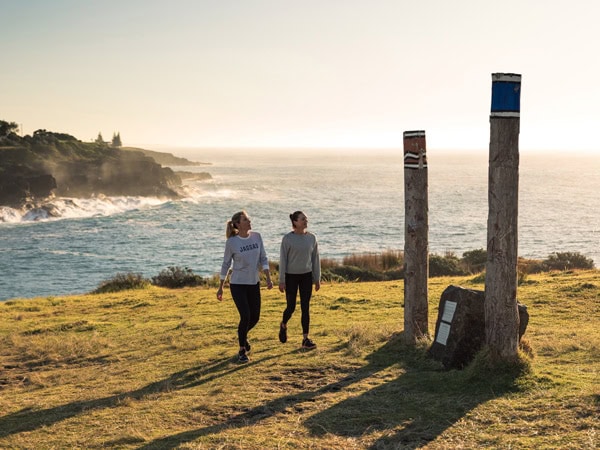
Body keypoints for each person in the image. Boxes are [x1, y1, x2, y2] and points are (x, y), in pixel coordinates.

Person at [217, 210, 273, 363]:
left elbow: (263, 258)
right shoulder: (232, 242)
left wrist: (268, 278)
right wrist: (221, 286)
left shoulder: (257, 237)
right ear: (237, 224)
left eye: (248, 219)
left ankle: (243, 336)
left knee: (255, 317)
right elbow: (226, 264)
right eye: (246, 220)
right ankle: (242, 350)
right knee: (246, 315)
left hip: (254, 283)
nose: (249, 222)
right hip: (237, 284)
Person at [278, 211, 321, 349]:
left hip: (306, 276)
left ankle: (305, 339)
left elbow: (315, 259)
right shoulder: (287, 239)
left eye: (306, 219)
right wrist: (282, 280)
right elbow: (283, 260)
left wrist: (317, 278)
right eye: (303, 219)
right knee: (291, 307)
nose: (305, 221)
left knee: (305, 307)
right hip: (291, 277)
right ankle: (283, 324)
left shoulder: (312, 238)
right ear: (295, 222)